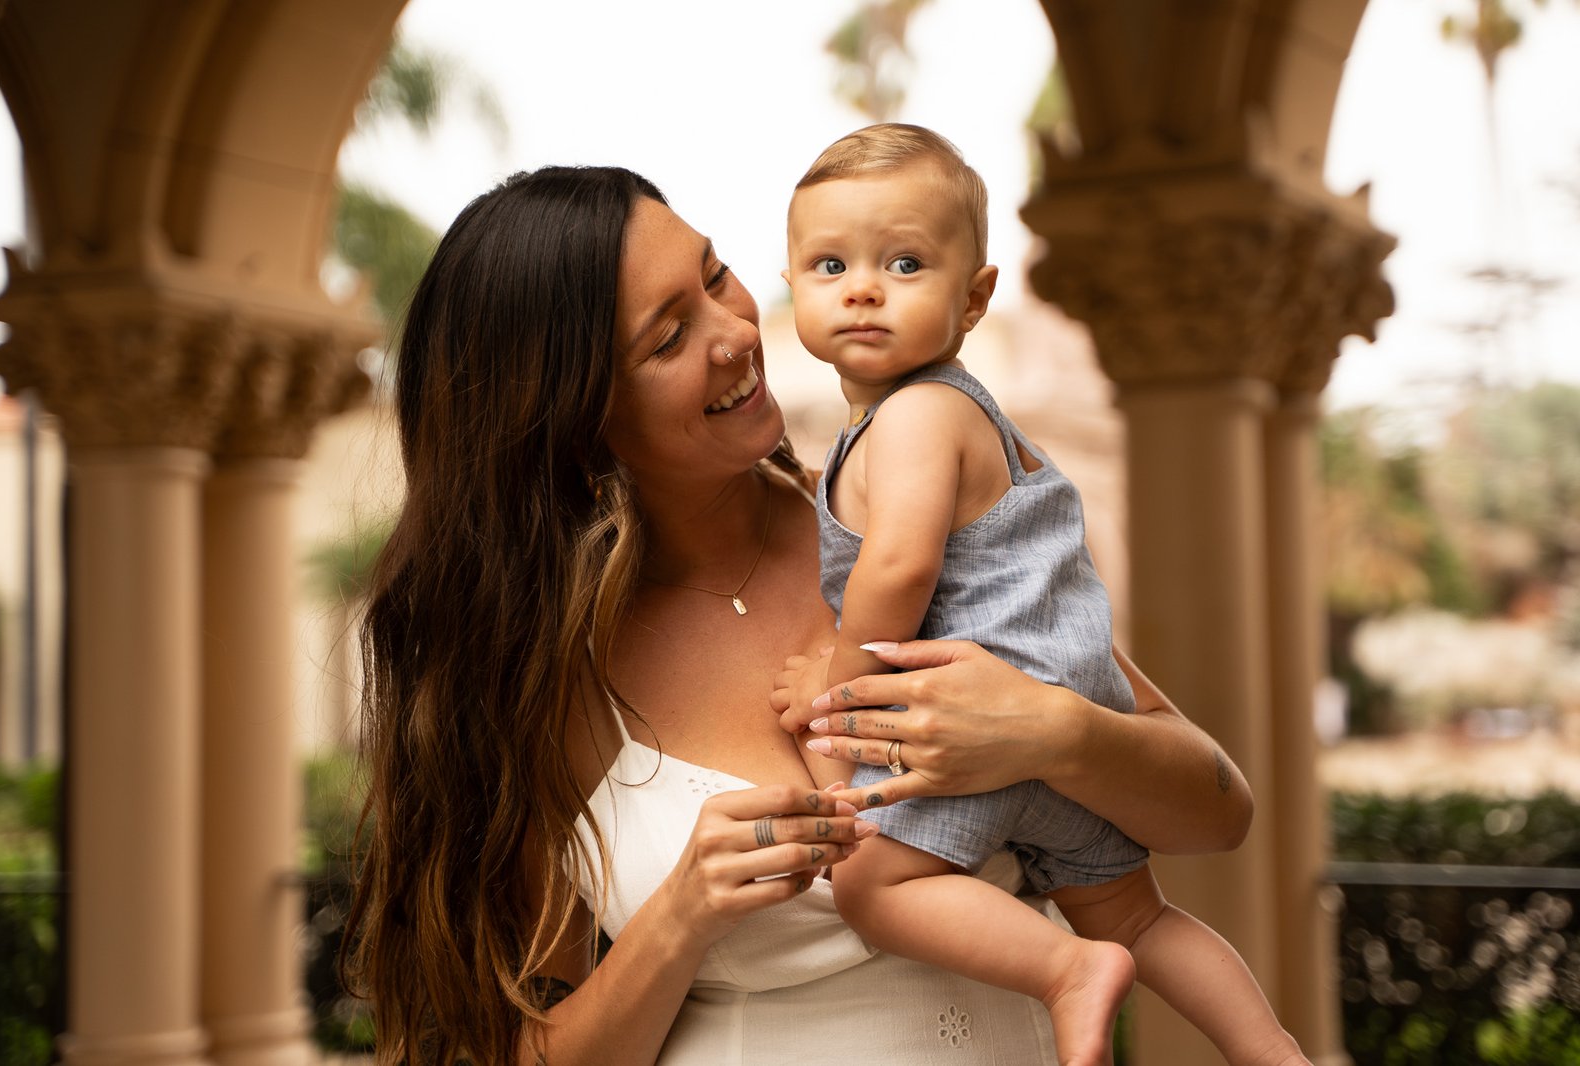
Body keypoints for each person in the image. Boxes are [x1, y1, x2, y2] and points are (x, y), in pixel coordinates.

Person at [342, 162, 1256, 1066]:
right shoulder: (550, 680)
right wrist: (682, 915)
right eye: (668, 339)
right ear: (576, 419)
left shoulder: (909, 529)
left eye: (712, 277)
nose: (737, 332)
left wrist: (1056, 733)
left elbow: (1219, 814)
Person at [774, 123, 1307, 1066]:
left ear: (975, 298)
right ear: (792, 285)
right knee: (1140, 918)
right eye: (829, 265)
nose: (861, 287)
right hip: (1070, 715)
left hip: (984, 723)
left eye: (904, 263)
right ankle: (1273, 1051)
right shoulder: (975, 420)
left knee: (873, 887)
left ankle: (1064, 974)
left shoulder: (917, 416)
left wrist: (835, 690)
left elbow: (897, 572)